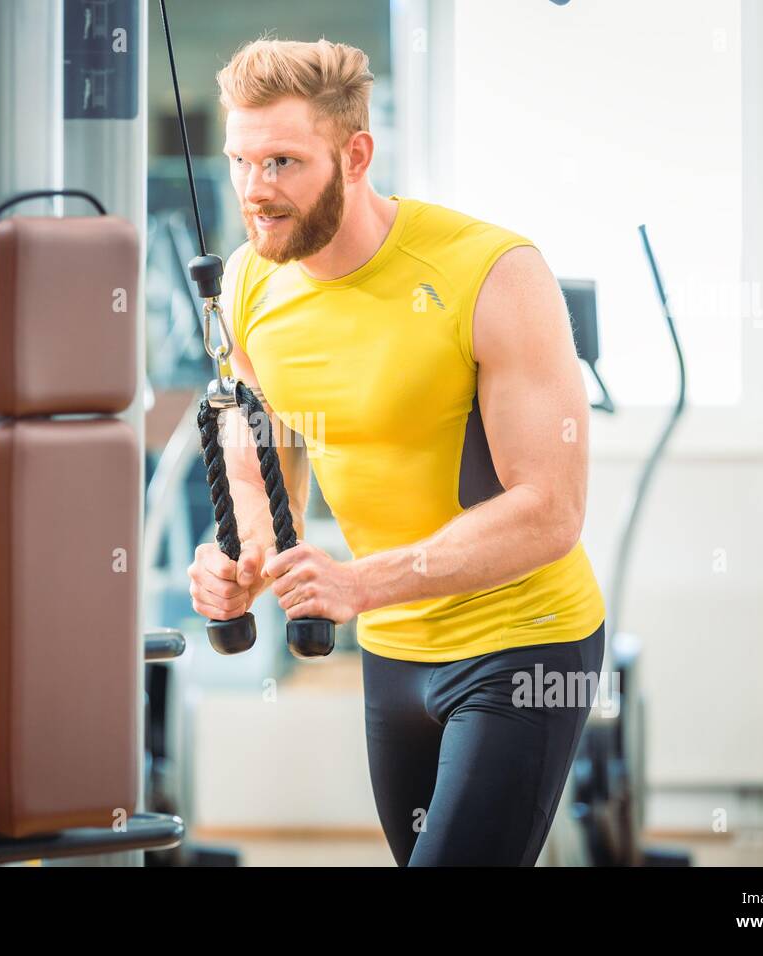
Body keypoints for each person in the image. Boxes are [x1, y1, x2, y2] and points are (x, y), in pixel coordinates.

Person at [186, 37, 606, 866]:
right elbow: (263, 460)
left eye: (282, 162)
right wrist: (241, 558)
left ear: (356, 154)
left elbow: (550, 510)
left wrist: (359, 581)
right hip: (395, 655)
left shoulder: (492, 272)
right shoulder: (248, 284)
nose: (255, 193)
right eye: (240, 161)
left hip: (524, 643)